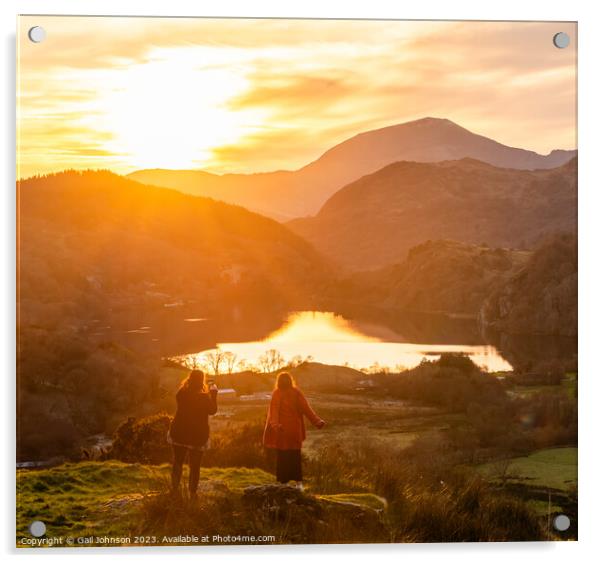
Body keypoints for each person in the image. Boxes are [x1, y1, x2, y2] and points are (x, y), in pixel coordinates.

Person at [263, 371, 325, 489]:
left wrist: (276, 425)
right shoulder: (296, 392)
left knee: (283, 457)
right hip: (294, 431)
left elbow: (274, 412)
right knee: (295, 457)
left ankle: (284, 483)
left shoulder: (277, 393)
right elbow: (307, 409)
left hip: (282, 431)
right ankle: (298, 484)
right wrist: (317, 422)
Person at [168, 369, 218, 499]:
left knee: (177, 462)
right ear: (202, 381)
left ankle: (174, 490)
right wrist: (213, 393)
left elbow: (186, 397)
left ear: (189, 379)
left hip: (179, 432)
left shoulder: (181, 393)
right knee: (195, 466)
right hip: (197, 436)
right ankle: (192, 494)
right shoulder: (204, 397)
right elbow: (212, 410)